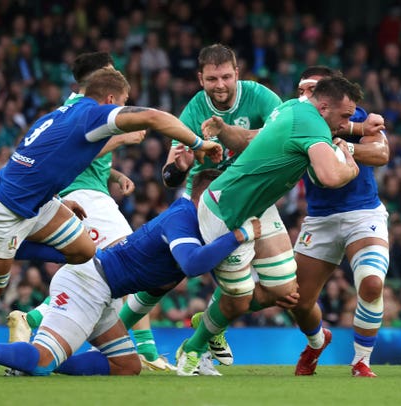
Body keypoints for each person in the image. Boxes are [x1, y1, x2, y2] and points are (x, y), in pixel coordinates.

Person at [0, 67, 223, 378]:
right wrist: (199, 144)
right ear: (111, 99)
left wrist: (55, 198)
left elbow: (45, 157)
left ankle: (6, 252)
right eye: (124, 102)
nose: (124, 107)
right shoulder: (93, 116)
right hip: (1, 211)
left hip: (37, 203)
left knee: (84, 250)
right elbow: (155, 118)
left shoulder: (64, 112)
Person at [0, 169, 261, 377]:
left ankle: (26, 359)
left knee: (126, 365)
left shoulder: (200, 223)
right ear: (208, 197)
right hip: (88, 283)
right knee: (43, 362)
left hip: (104, 290)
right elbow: (192, 264)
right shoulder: (182, 217)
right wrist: (238, 237)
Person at [175, 76, 361, 376]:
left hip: (259, 207)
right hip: (226, 209)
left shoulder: (290, 108)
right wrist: (349, 167)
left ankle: (212, 318)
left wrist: (224, 130)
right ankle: (193, 349)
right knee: (236, 303)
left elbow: (252, 139)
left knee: (284, 289)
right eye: (345, 116)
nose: (345, 124)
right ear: (324, 107)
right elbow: (328, 177)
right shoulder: (312, 124)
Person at [6, 51, 174, 372]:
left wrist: (113, 174)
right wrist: (122, 138)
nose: (117, 76)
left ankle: (144, 353)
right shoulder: (87, 109)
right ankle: (33, 317)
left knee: (113, 271)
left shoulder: (78, 107)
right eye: (110, 72)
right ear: (95, 80)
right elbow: (81, 148)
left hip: (91, 190)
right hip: (82, 195)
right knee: (132, 259)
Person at [147, 43, 283, 366]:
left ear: (237, 74)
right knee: (173, 278)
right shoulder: (193, 112)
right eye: (211, 79)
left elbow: (284, 135)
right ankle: (196, 342)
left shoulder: (260, 97)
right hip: (209, 202)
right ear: (200, 79)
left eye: (225, 77)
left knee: (282, 289)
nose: (219, 85)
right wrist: (179, 167)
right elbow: (168, 176)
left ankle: (208, 321)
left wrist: (233, 134)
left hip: (254, 195)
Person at [290, 66, 390, 378]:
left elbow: (382, 152)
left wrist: (347, 146)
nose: (307, 97)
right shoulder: (292, 119)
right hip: (319, 219)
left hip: (363, 212)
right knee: (298, 300)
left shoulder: (354, 114)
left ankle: (361, 361)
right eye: (303, 90)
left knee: (372, 283)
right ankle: (317, 342)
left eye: (313, 90)